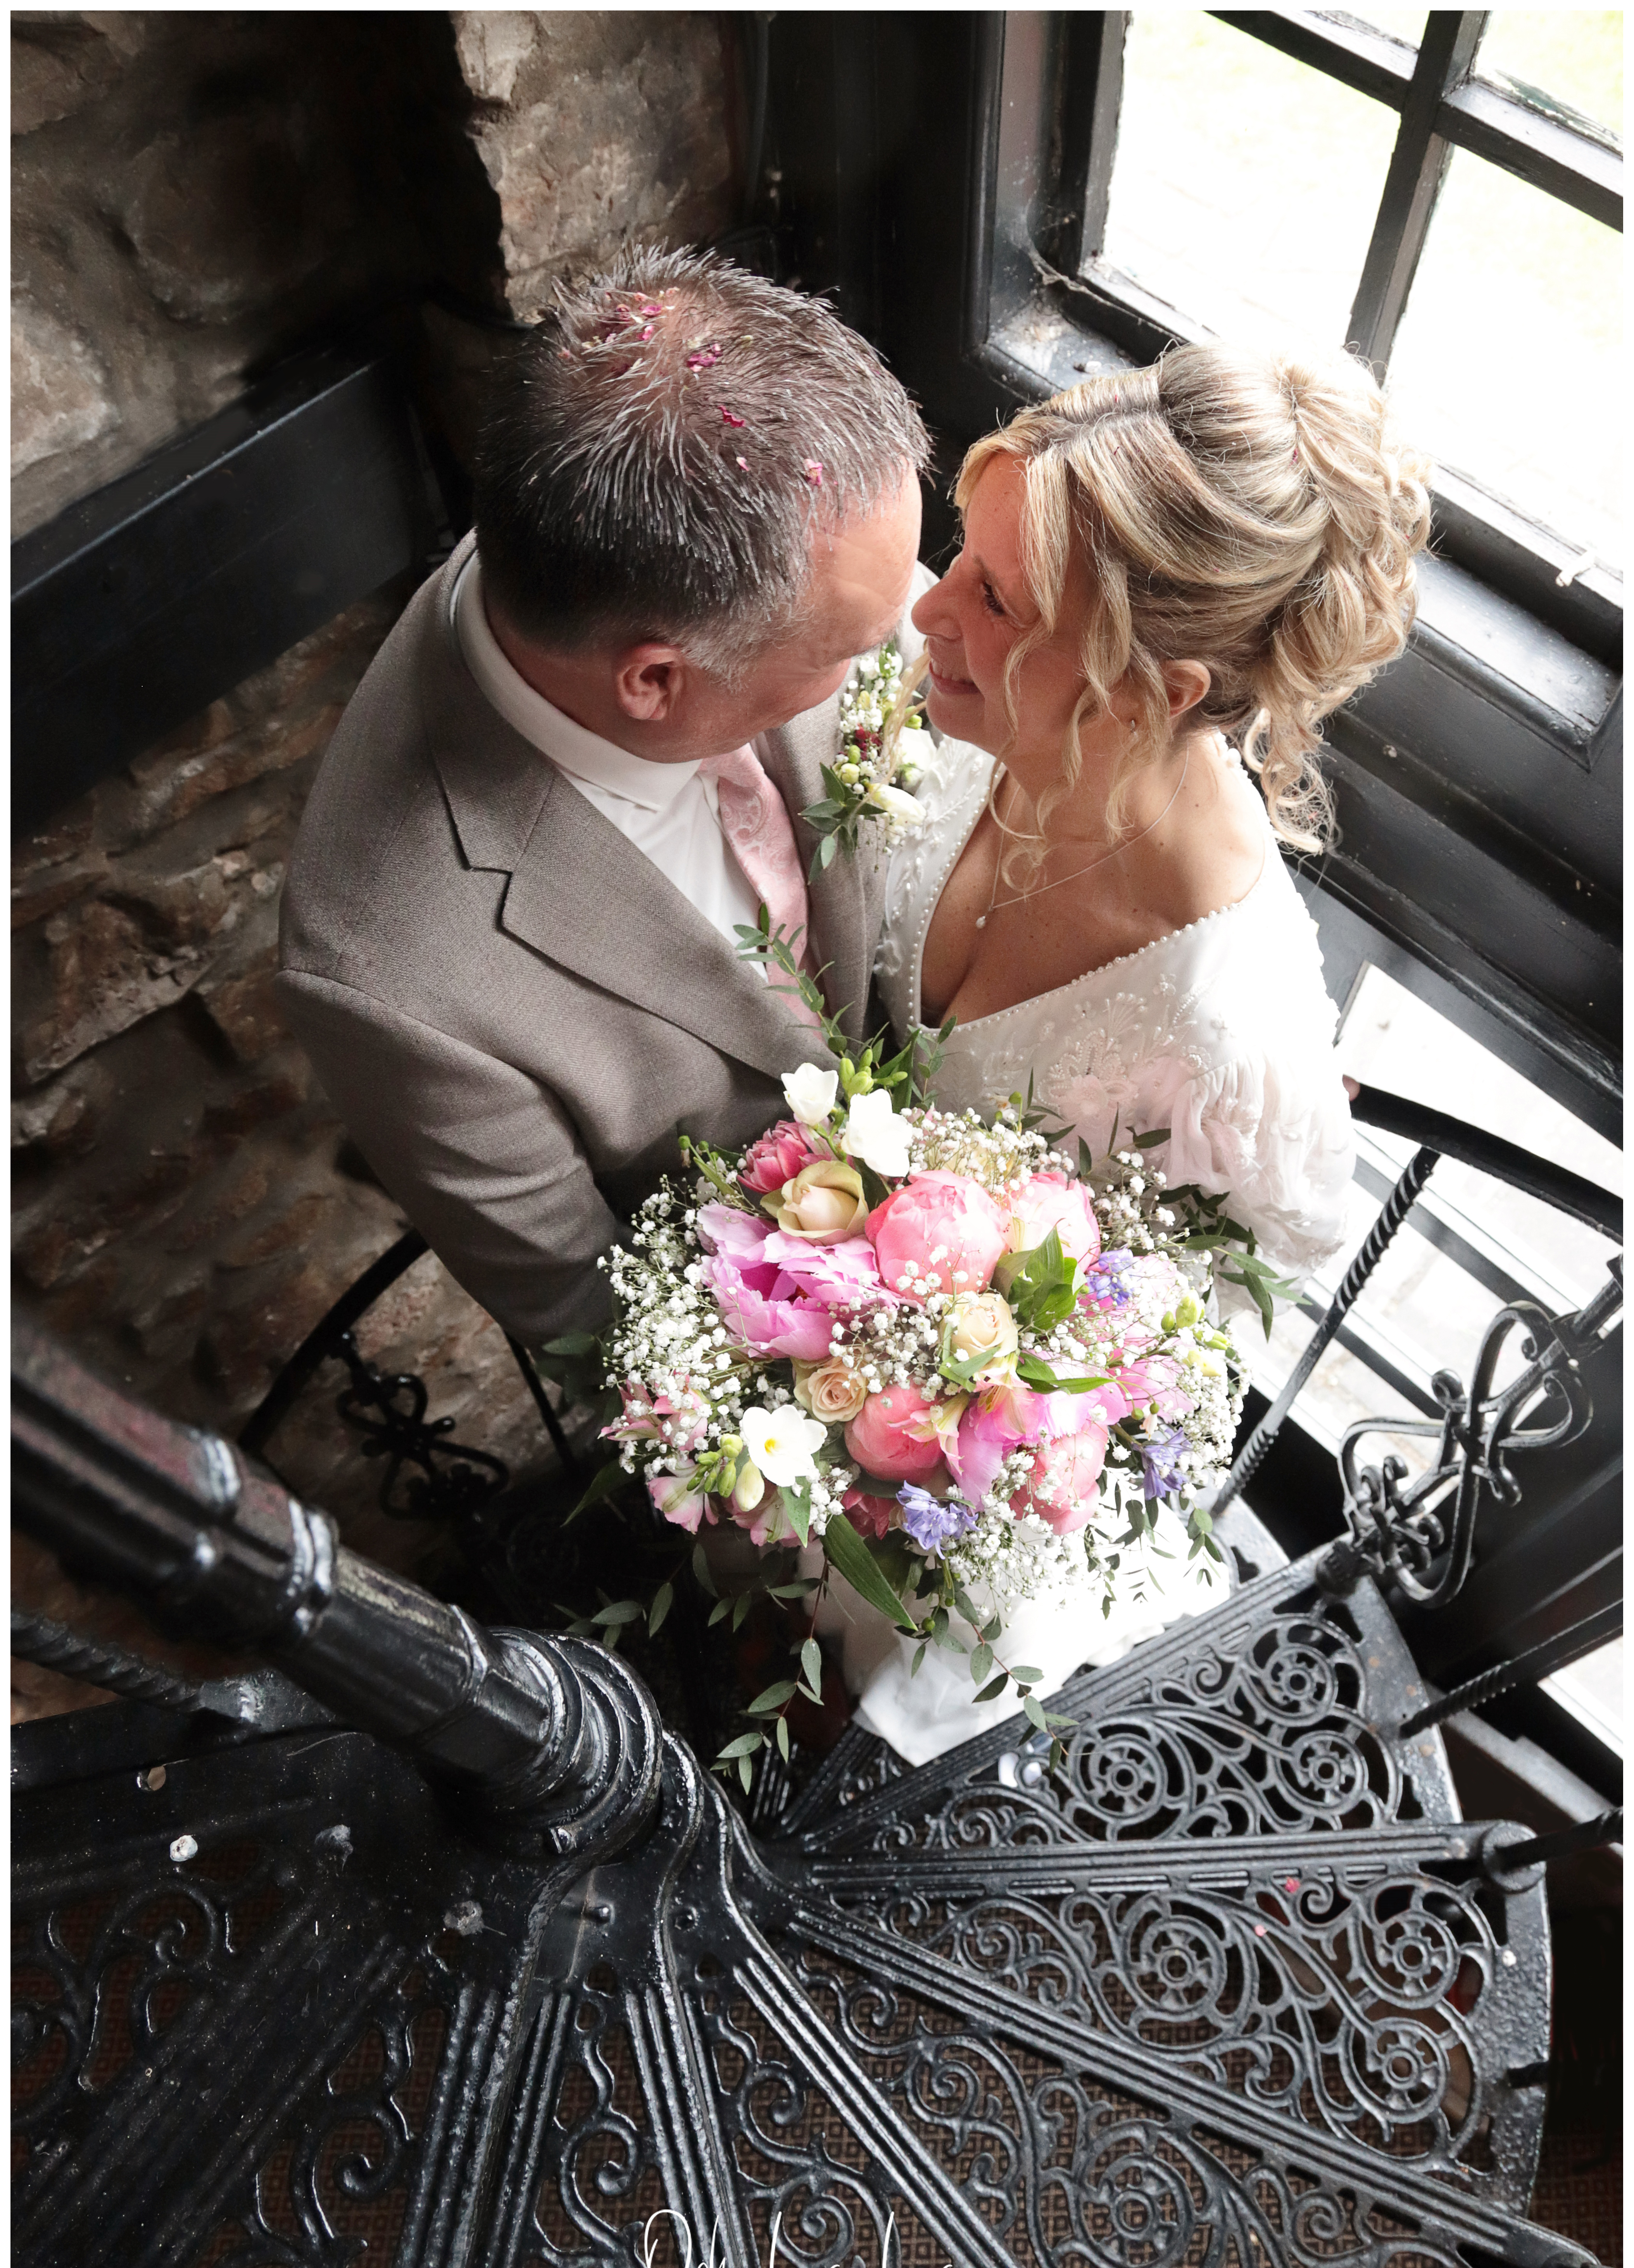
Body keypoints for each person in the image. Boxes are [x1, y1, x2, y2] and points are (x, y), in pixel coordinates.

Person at [835, 341, 1432, 1760]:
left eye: (991, 600)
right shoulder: (961, 722)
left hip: (978, 1501)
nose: (927, 614)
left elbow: (1181, 1374)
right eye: (957, 562)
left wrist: (951, 1384)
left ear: (1158, 690)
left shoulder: (1228, 1034)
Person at [278, 247, 929, 1346]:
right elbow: (602, 1337)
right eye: (856, 647)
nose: (914, 632)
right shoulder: (394, 987)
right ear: (655, 680)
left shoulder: (683, 549)